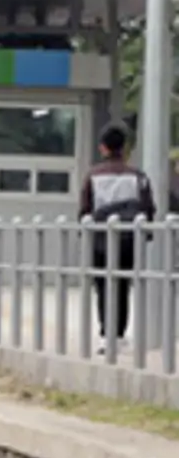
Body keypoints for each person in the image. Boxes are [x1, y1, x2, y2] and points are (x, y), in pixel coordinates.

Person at [79, 124, 155, 353]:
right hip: (128, 239)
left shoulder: (93, 175)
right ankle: (120, 334)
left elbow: (85, 207)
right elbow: (148, 208)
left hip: (101, 239)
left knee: (103, 285)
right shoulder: (138, 176)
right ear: (125, 148)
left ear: (102, 148)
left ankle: (106, 334)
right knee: (123, 286)